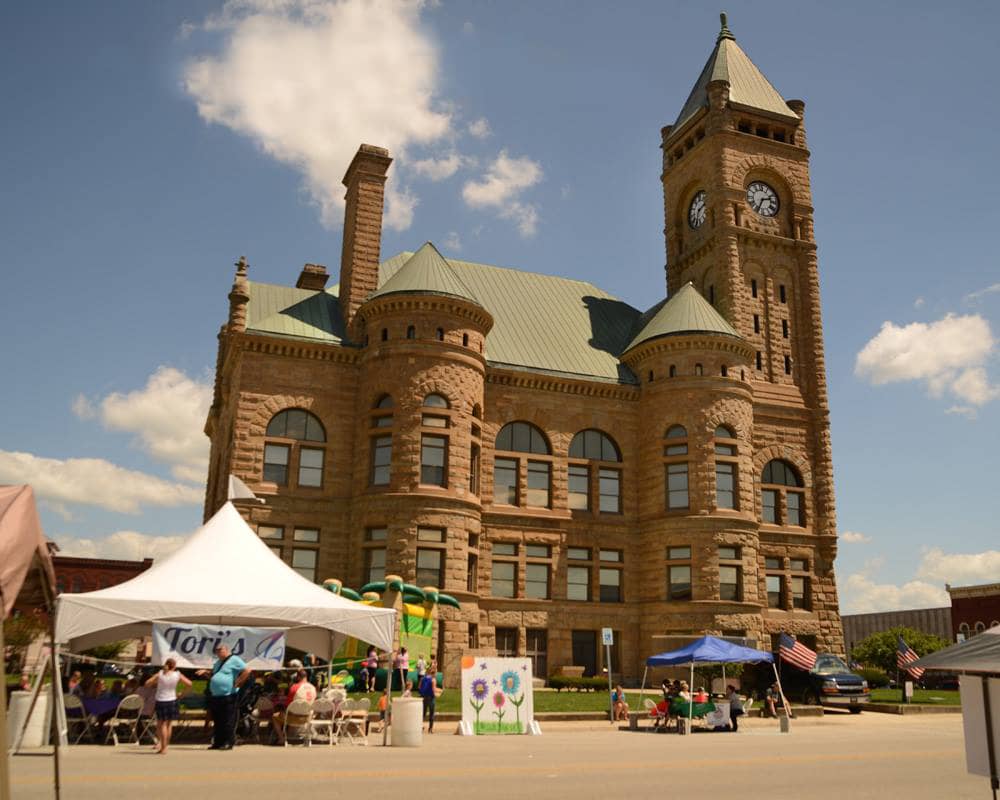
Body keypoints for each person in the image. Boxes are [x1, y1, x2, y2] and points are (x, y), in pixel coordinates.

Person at [196, 643, 251, 750]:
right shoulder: (218, 663)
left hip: (228, 695)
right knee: (218, 720)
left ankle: (228, 742)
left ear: (226, 650)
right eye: (216, 650)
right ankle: (217, 742)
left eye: (220, 650)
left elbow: (247, 670)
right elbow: (213, 676)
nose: (218, 652)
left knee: (228, 720)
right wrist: (205, 673)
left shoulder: (234, 659)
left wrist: (239, 681)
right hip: (216, 696)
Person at [145, 658, 192, 754]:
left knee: (161, 724)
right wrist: (182, 694)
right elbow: (189, 684)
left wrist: (155, 682)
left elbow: (147, 683)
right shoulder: (177, 674)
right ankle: (166, 745)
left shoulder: (160, 674)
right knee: (169, 724)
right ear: (174, 666)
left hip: (161, 700)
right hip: (172, 699)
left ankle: (162, 746)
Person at [271, 669, 316, 744]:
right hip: (307, 718)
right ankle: (288, 734)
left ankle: (281, 738)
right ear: (306, 676)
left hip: (293, 718)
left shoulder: (294, 687)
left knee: (274, 716)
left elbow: (288, 704)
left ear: (298, 677)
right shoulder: (313, 688)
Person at [418, 656, 438, 733]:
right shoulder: (433, 680)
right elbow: (433, 689)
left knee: (423, 713)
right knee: (432, 713)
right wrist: (436, 694)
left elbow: (419, 687)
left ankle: (419, 726)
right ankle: (430, 728)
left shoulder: (423, 678)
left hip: (423, 697)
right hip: (431, 697)